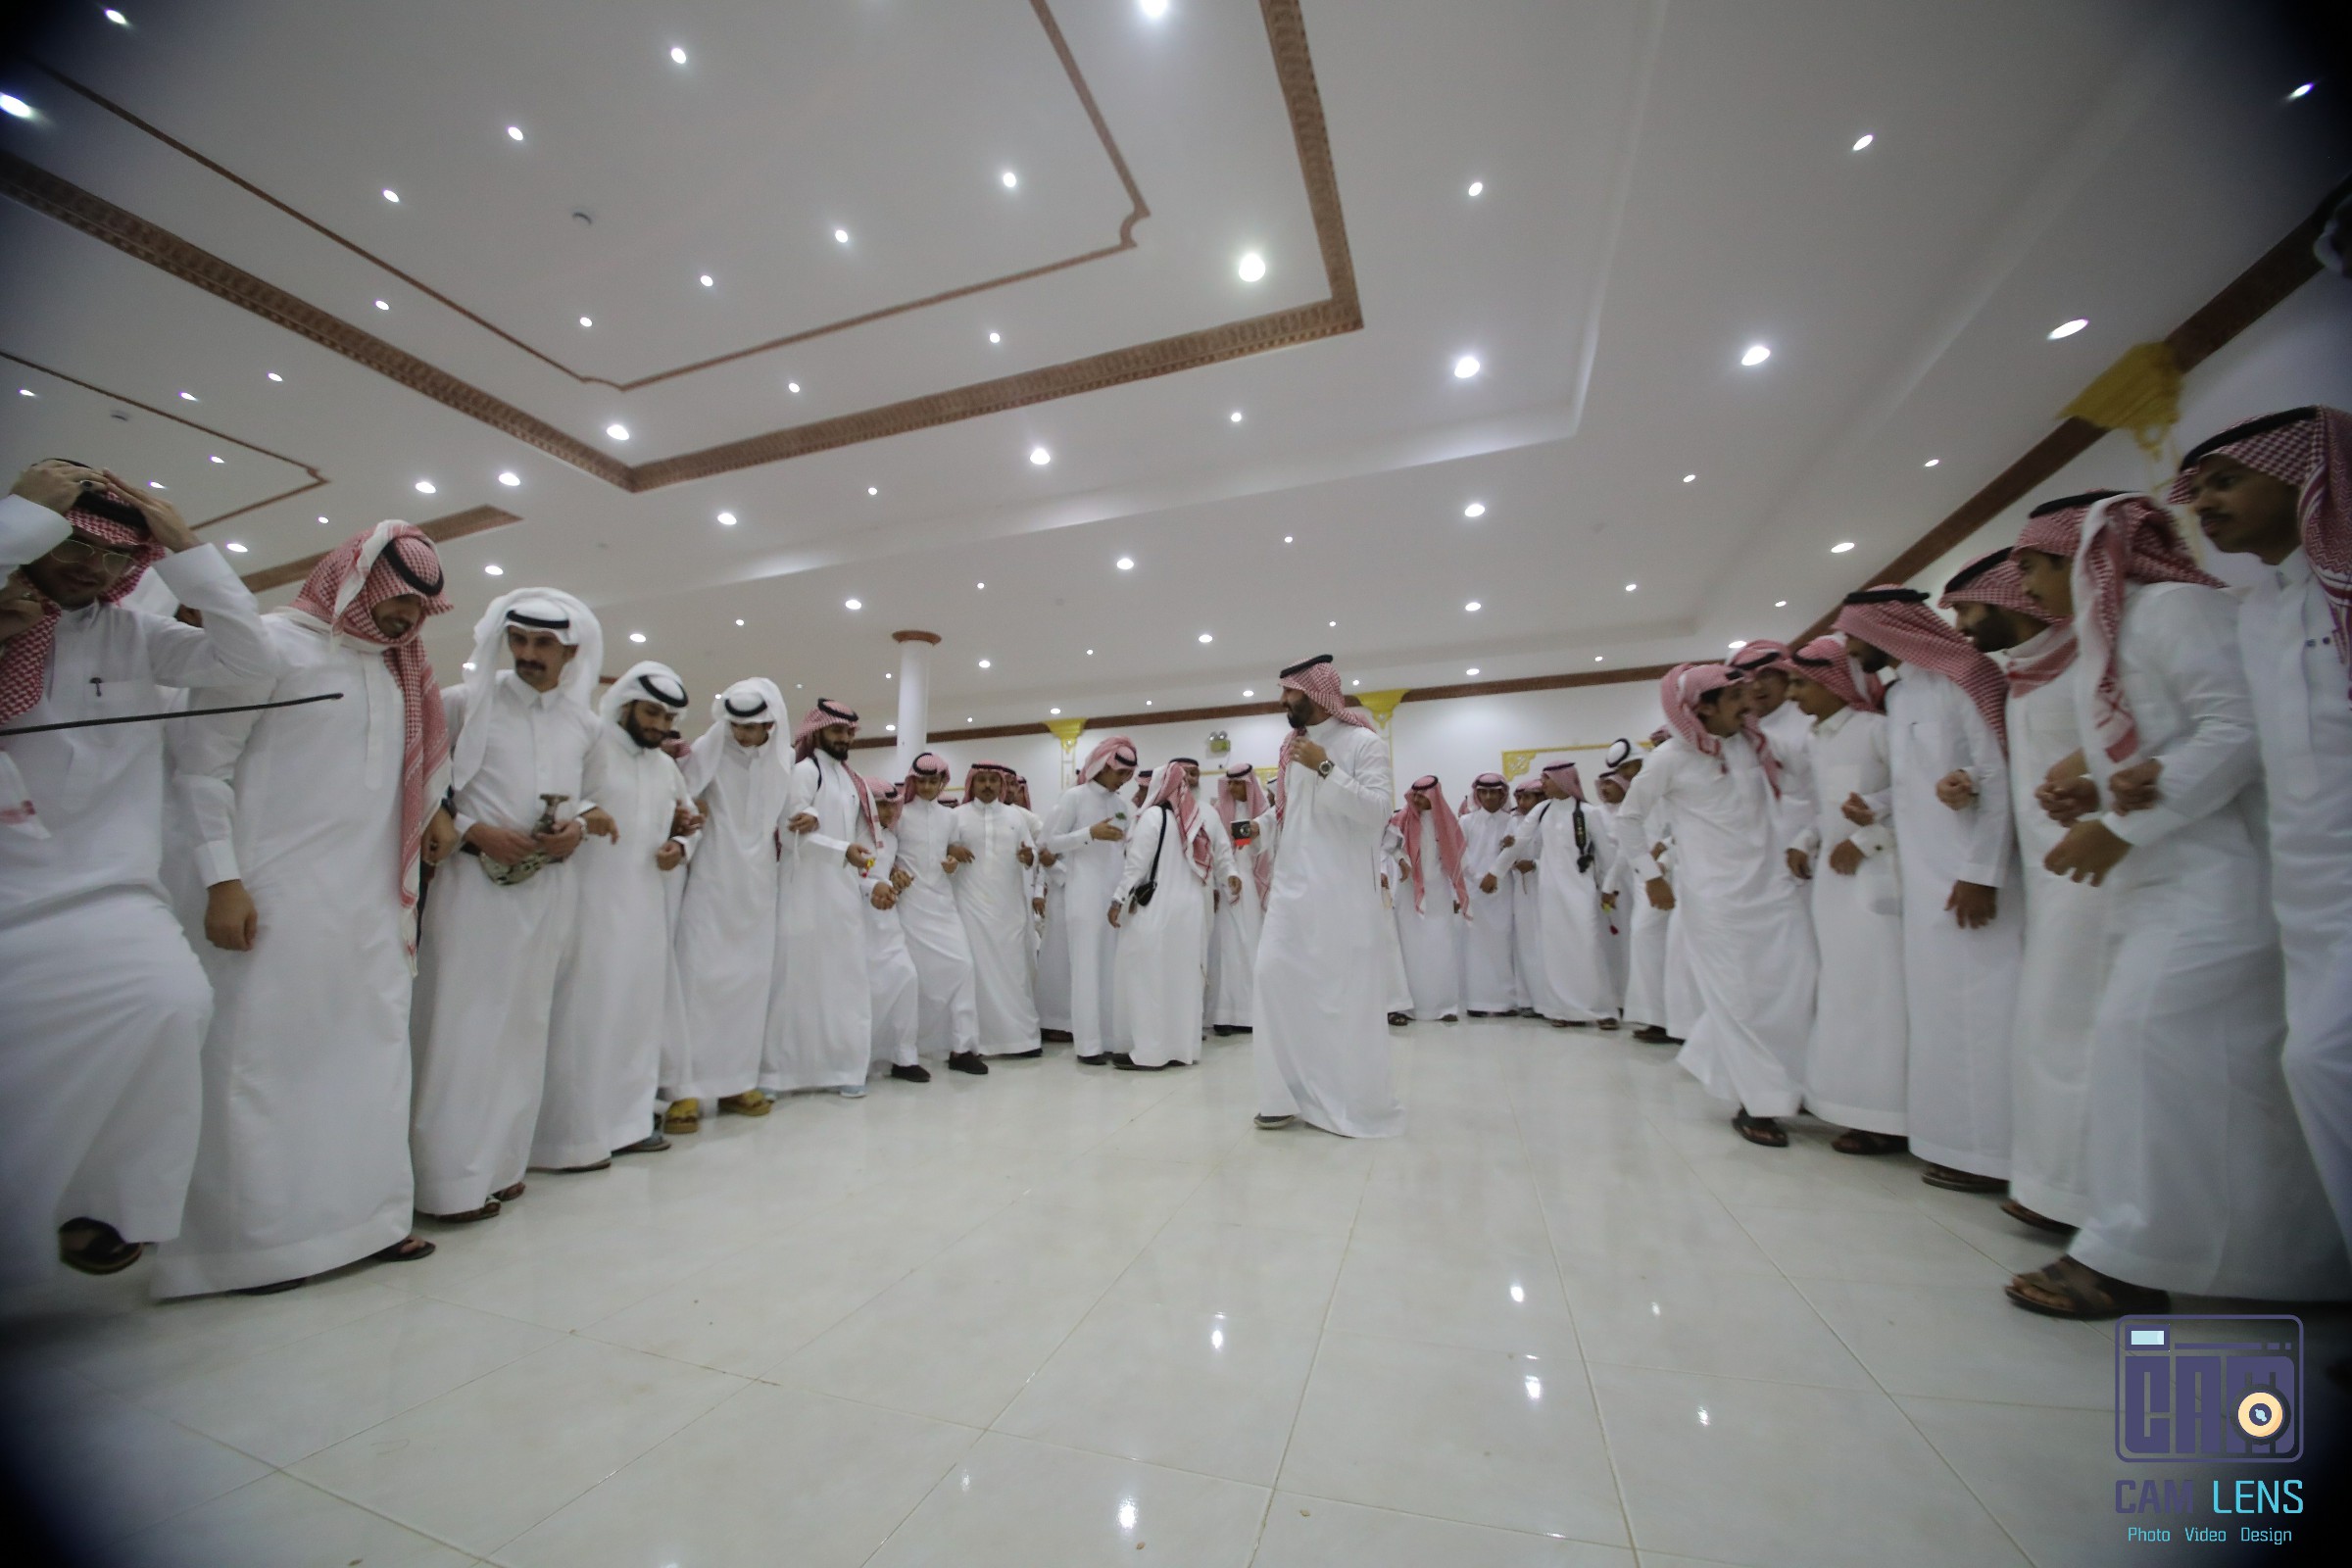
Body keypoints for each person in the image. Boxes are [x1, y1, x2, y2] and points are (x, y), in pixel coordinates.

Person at [2002, 491, 2350, 1315]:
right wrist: (2096, 790)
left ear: (2084, 559)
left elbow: (2237, 730)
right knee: (2174, 1069)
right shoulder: (2116, 632)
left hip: (2217, 878)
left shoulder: (2175, 609)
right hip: (2163, 880)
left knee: (2149, 1052)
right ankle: (2265, 1261)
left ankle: (2130, 1255)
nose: (2026, 587)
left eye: (2035, 568)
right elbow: (2171, 743)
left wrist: (2122, 825)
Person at [155, 521, 451, 1297]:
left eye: (419, 608)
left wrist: (434, 817)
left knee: (369, 1058)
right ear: (352, 582)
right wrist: (221, 880)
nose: (406, 618)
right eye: (395, 600)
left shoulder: (398, 671)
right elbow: (199, 770)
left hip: (367, 910)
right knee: (259, 1065)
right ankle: (251, 1248)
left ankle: (368, 1222)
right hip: (272, 899)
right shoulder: (268, 646)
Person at [0, 465, 276, 1282]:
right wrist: (22, 517)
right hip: (9, 882)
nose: (91, 567)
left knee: (172, 1004)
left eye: (114, 554)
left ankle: (109, 1202)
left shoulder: (135, 637)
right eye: (73, 545)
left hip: (108, 889)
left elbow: (247, 656)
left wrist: (186, 546)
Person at [2173, 407, 2352, 1311]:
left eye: (2227, 481)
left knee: (2324, 1062)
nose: (2205, 503)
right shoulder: (2262, 610)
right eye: (2198, 489)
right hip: (2308, 888)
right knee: (2319, 1071)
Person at [408, 588, 611, 1222]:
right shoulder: (464, 703)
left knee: (524, 1026)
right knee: (462, 1026)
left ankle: (501, 1166)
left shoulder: (585, 725)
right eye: (518, 640)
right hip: (472, 890)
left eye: (543, 643)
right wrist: (474, 830)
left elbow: (594, 799)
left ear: (570, 652)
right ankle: (444, 1181)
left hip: (546, 892)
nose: (528, 653)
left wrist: (578, 827)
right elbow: (422, 784)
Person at [1836, 585, 2021, 1195]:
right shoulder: (1900, 693)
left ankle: (1994, 1152)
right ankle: (1954, 1142)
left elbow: (1998, 772)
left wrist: (1982, 872)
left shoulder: (1964, 677)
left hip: (1970, 877)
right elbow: (1917, 783)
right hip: (1924, 878)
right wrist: (1876, 805)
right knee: (1942, 1013)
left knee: (1983, 1012)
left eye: (1853, 636)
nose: (1849, 649)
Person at [1942, 542, 2100, 1233]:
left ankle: (2083, 1196)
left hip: (2105, 873)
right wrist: (1967, 785)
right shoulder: (2020, 674)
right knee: (2053, 1030)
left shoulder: (2093, 658)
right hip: (2049, 876)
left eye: (1968, 610)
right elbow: (2005, 772)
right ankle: (2059, 1187)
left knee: (2082, 1033)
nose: (1961, 628)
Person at [1618, 665, 1815, 1146]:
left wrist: (1805, 839)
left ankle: (1783, 1083)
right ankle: (1758, 1104)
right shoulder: (1671, 758)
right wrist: (1651, 877)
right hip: (1715, 900)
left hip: (1774, 890)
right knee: (1738, 999)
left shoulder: (1757, 744)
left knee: (1791, 989)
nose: (1747, 704)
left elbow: (1809, 786)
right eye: (1735, 697)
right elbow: (1630, 818)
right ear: (1702, 708)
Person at [534, 662, 700, 1173]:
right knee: (585, 1018)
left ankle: (628, 1124)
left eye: (667, 718)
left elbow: (690, 821)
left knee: (636, 1018)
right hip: (590, 908)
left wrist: (681, 843)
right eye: (651, 713)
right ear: (626, 704)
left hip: (646, 911)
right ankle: (571, 1137)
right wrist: (585, 811)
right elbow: (550, 792)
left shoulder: (664, 766)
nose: (659, 725)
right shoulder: (592, 745)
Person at [1252, 655, 1404, 1137]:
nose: (1283, 700)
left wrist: (1325, 768)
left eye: (1290, 691)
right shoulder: (1292, 748)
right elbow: (1291, 815)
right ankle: (1281, 1095)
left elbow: (1377, 811)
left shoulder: (1363, 744)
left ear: (1316, 693)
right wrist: (1258, 828)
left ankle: (1344, 1100)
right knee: (1272, 978)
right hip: (1291, 891)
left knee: (1339, 998)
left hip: (1340, 894)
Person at [1781, 637, 1907, 1154]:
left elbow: (1916, 790)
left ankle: (1887, 1115)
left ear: (1833, 682)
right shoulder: (1817, 740)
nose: (1793, 695)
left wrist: (1866, 840)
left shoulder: (1876, 730)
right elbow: (1824, 808)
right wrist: (1804, 839)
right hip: (1833, 884)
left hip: (1877, 877)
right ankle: (1845, 1104)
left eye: (1800, 683)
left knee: (1879, 995)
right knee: (1842, 993)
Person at [668, 678, 789, 1131]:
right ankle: (684, 1090)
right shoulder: (709, 748)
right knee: (698, 981)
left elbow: (786, 814)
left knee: (749, 984)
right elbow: (681, 799)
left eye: (752, 727)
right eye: (736, 725)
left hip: (758, 887)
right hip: (712, 879)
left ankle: (737, 1082)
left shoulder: (783, 760)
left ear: (770, 725)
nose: (742, 734)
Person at [765, 700, 878, 1097]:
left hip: (842, 892)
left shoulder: (850, 780)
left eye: (848, 732)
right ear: (817, 732)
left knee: (844, 979)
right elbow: (790, 831)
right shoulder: (805, 772)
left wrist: (861, 862)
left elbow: (861, 835)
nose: (843, 738)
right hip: (804, 889)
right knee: (796, 978)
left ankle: (845, 1068)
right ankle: (778, 1074)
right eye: (836, 731)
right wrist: (841, 850)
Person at [1109, 759, 1238, 1069]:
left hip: (1156, 910)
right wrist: (1230, 875)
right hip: (1190, 910)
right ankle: (1181, 1049)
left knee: (1148, 979)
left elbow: (1136, 865)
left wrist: (1117, 899)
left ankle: (1150, 1052)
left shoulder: (1153, 817)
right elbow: (1217, 855)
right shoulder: (1195, 819)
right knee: (1182, 980)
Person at [1041, 735, 1137, 1064]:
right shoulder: (1074, 798)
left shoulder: (1122, 806)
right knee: (1086, 968)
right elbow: (1049, 843)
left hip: (1112, 897)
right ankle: (1088, 1046)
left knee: (1112, 969)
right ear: (1102, 766)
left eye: (1128, 775)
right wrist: (1089, 834)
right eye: (1120, 773)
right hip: (1082, 893)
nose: (1124, 780)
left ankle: (1110, 1039)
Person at [889, 753, 986, 1074]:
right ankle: (906, 1053)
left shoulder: (949, 817)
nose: (928, 787)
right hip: (910, 905)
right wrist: (893, 871)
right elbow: (888, 854)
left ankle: (962, 1048)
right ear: (912, 782)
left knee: (963, 966)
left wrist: (952, 861)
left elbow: (950, 852)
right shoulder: (900, 814)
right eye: (922, 782)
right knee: (913, 979)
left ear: (943, 782)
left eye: (934, 782)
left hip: (943, 904)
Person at [954, 762, 1044, 1058]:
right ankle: (978, 1040)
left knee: (1014, 972)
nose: (988, 785)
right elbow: (943, 852)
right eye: (982, 780)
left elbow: (1032, 854)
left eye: (993, 780)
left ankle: (1021, 1039)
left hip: (1009, 908)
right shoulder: (957, 816)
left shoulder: (1016, 816)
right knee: (977, 972)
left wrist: (1029, 857)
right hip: (971, 905)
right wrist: (951, 851)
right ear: (972, 784)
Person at [1526, 760, 1621, 1028]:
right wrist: (1496, 872)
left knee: (1588, 946)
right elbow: (1520, 841)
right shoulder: (1542, 810)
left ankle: (1601, 1010)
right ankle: (1563, 1011)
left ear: (1563, 780)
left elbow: (1606, 855)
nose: (1542, 784)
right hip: (1549, 892)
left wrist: (1609, 887)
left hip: (1581, 890)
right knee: (1555, 951)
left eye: (1546, 779)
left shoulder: (1589, 813)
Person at [1599, 742, 1671, 1039]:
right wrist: (1610, 884)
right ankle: (1659, 1018)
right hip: (1648, 878)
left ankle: (1671, 1020)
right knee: (1646, 940)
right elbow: (1627, 846)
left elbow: (1681, 828)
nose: (1626, 774)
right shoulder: (1640, 792)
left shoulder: (1666, 785)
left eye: (1628, 767)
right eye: (1622, 769)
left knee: (1660, 942)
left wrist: (1665, 852)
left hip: (1674, 874)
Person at [1385, 774, 1468, 1023]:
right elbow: (1388, 846)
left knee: (1441, 947)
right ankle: (1414, 1007)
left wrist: (1456, 893)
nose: (1418, 801)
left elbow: (1457, 859)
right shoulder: (1401, 819)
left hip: (1439, 895)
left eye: (1423, 796)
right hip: (1409, 892)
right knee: (1412, 950)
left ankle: (1444, 1007)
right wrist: (1402, 860)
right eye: (1415, 796)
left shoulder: (1448, 822)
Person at [860, 782, 928, 1084]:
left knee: (906, 977)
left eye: (892, 805)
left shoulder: (890, 838)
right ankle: (858, 1059)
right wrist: (872, 886)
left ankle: (904, 1057)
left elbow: (885, 871)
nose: (888, 812)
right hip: (857, 922)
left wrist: (895, 879)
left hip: (887, 921)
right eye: (880, 805)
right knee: (867, 991)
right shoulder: (853, 835)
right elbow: (843, 876)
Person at [1207, 761, 1277, 1034]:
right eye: (1231, 783)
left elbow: (1268, 850)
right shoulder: (1218, 812)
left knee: (1251, 946)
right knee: (1226, 948)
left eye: (1239, 783)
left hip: (1254, 887)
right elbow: (1214, 849)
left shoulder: (1264, 812)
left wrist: (1255, 832)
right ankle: (1224, 1015)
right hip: (1227, 884)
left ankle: (1250, 1014)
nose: (1234, 788)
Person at [1456, 772, 1517, 1016]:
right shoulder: (1466, 821)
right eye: (1484, 792)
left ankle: (1506, 1002)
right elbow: (1461, 855)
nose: (1489, 797)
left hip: (1503, 891)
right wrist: (1477, 878)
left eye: (1494, 792)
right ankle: (1477, 1002)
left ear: (1503, 794)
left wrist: (1494, 876)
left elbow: (1513, 854)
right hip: (1475, 891)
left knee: (1502, 944)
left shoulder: (1512, 821)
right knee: (1475, 946)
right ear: (1477, 794)